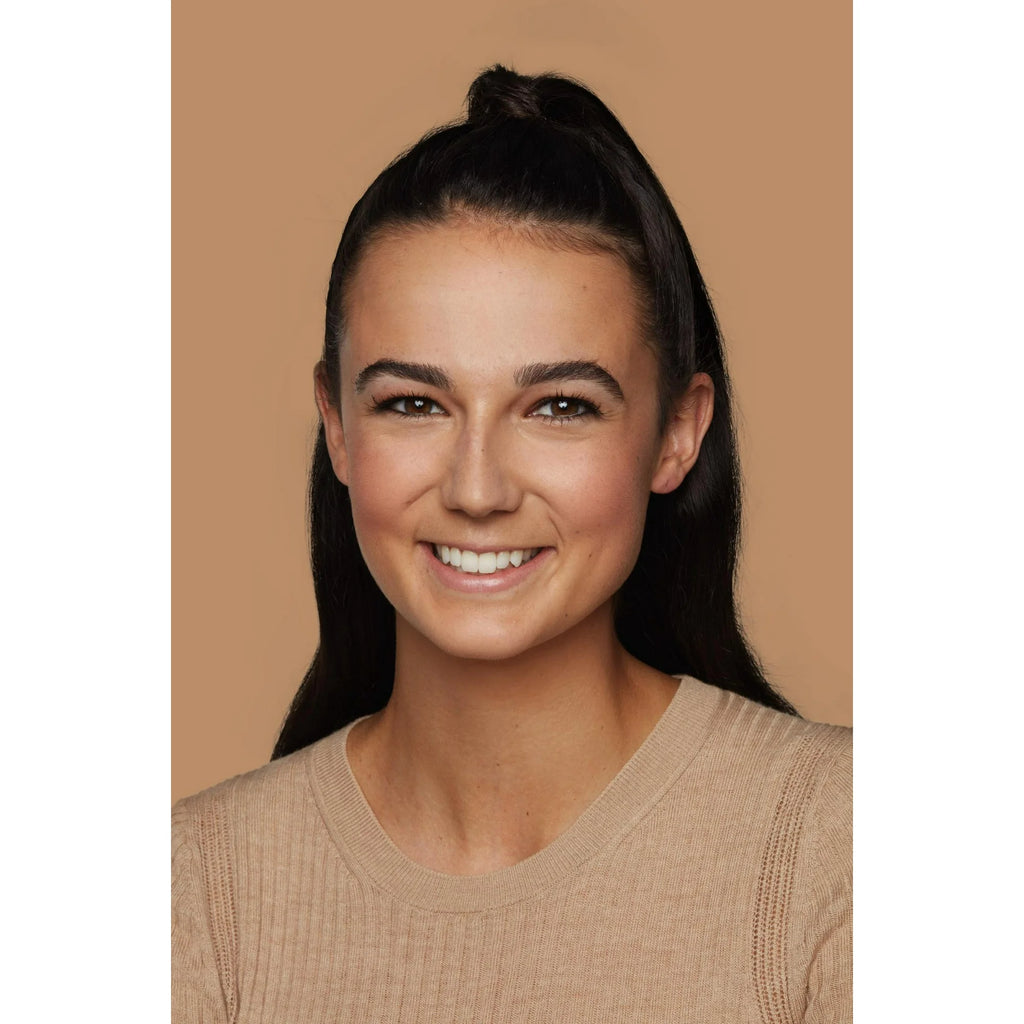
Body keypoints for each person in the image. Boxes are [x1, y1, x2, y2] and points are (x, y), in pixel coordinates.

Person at [172, 66, 851, 1022]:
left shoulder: (843, 850)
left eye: (561, 407)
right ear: (336, 425)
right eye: (413, 404)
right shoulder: (196, 894)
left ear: (677, 433)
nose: (477, 490)